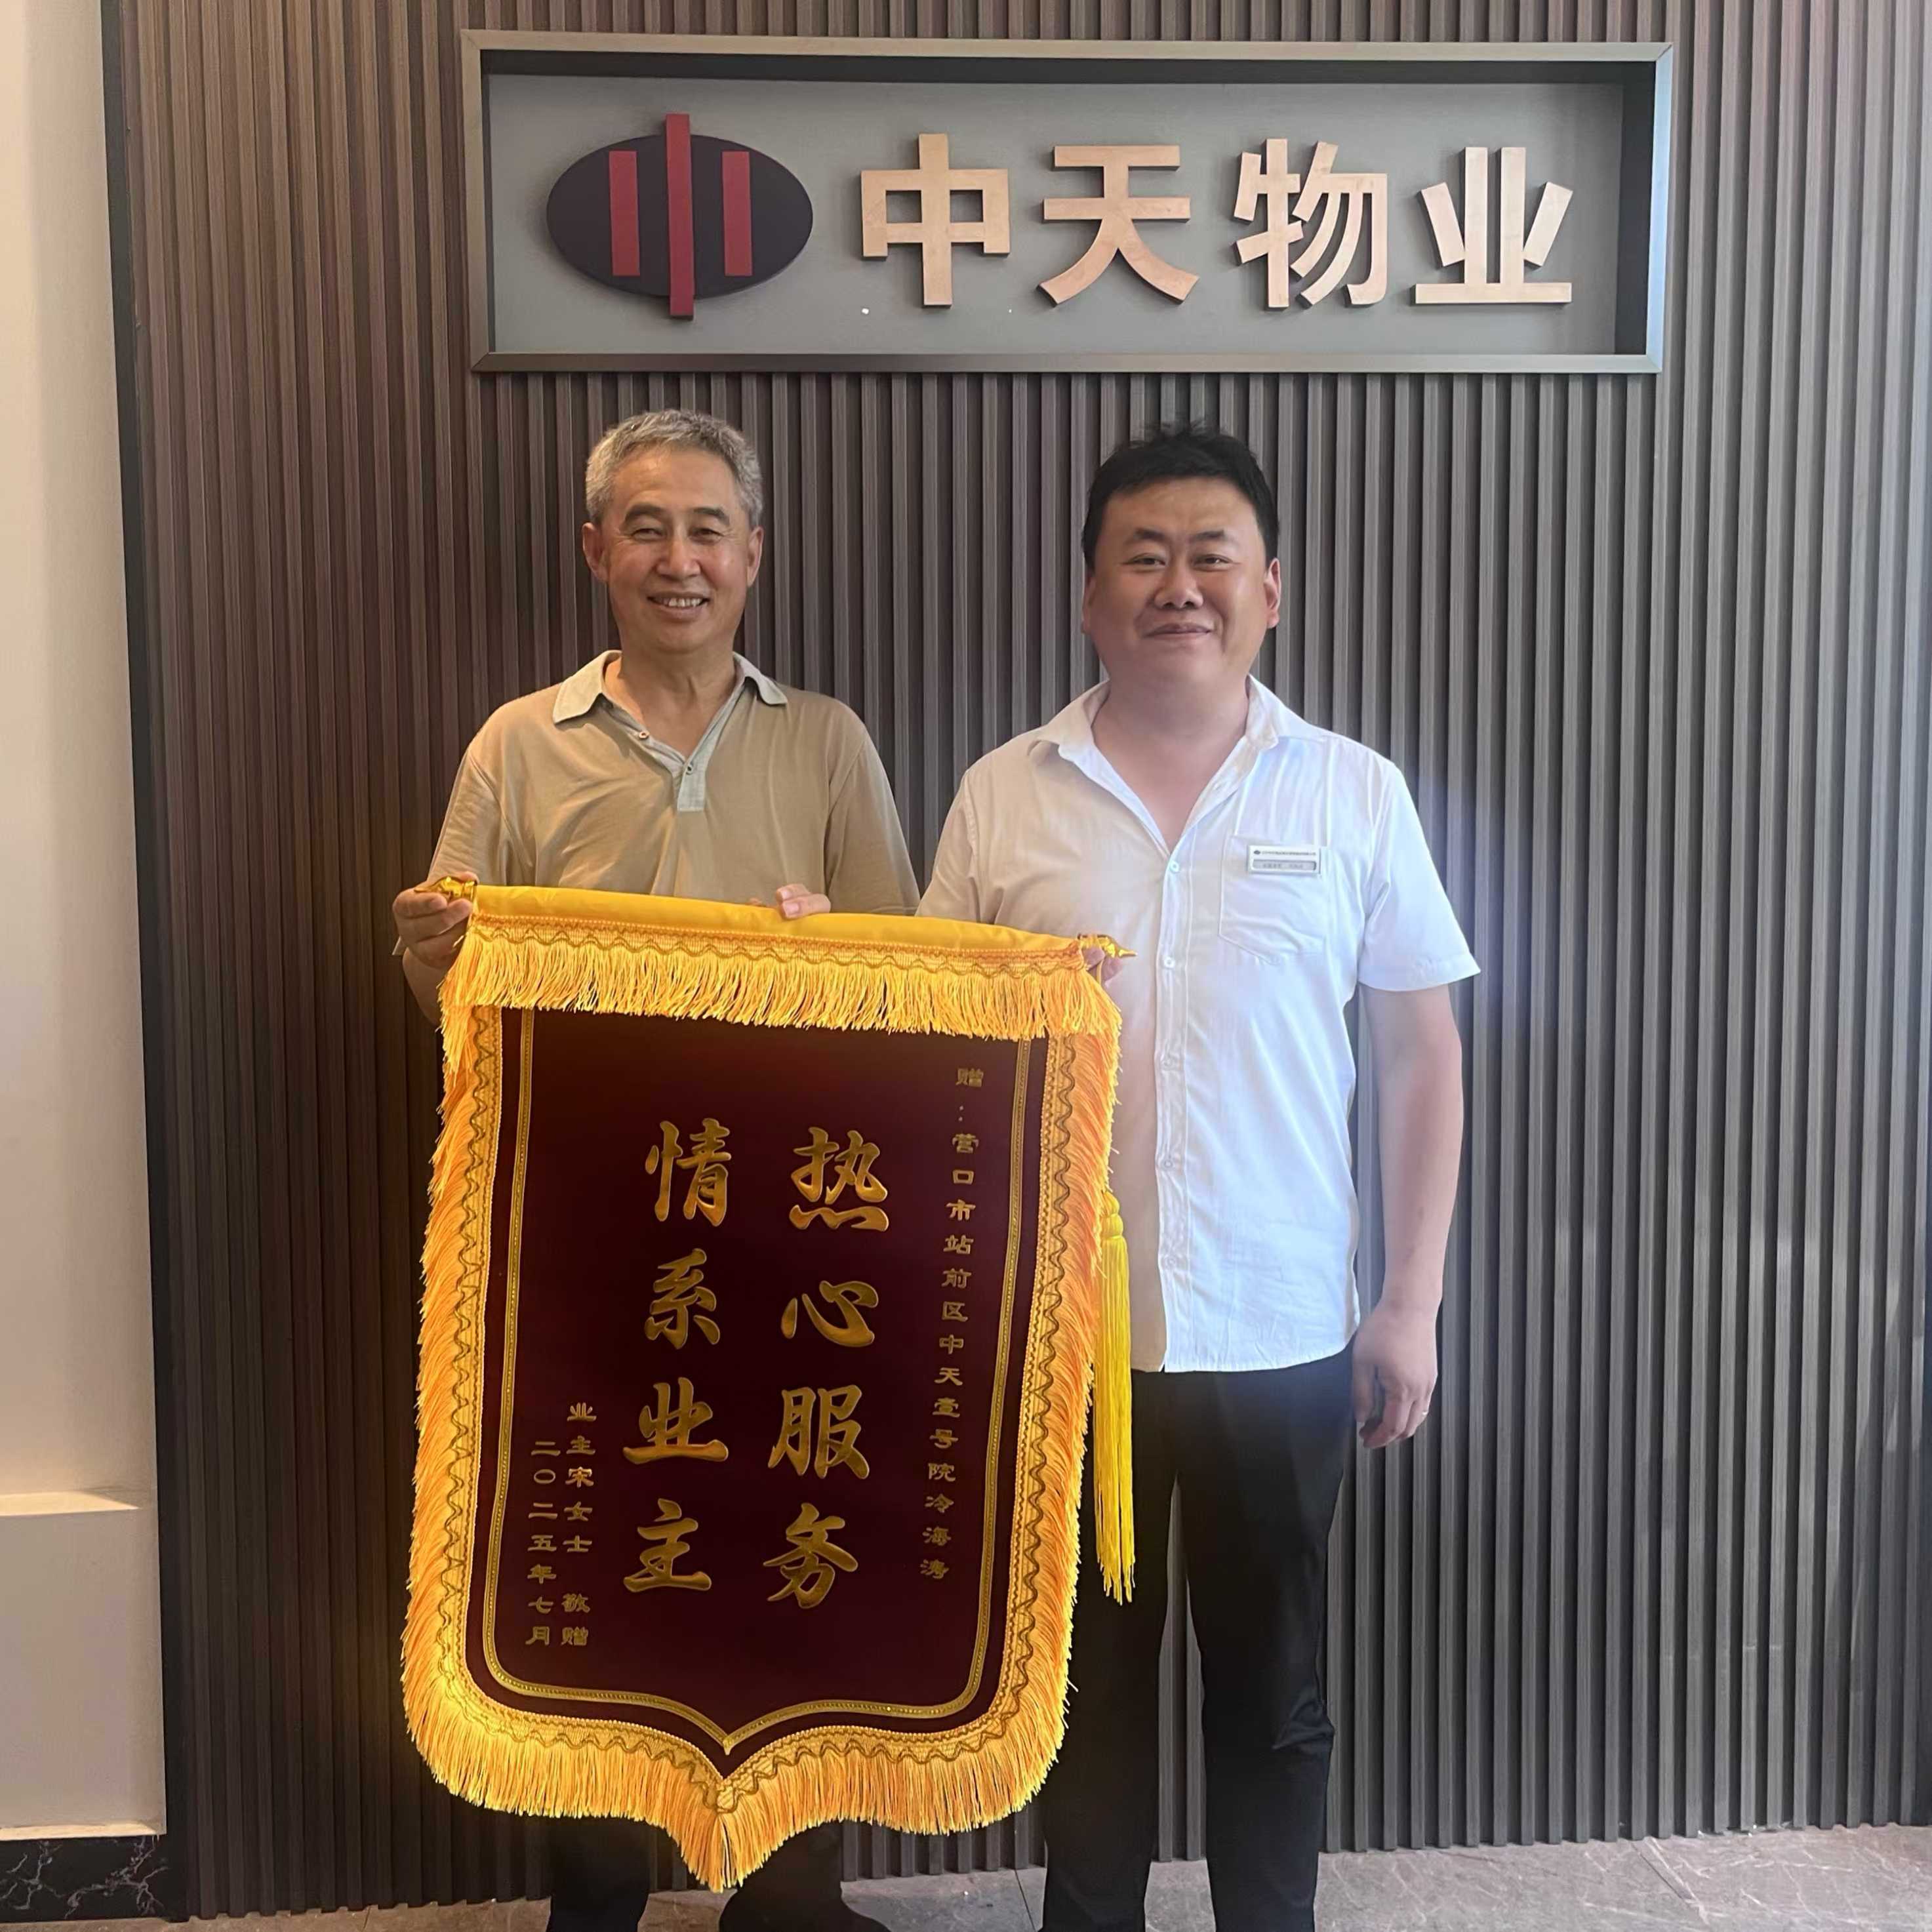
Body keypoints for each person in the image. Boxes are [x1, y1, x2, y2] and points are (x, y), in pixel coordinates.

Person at [920, 426, 1476, 1932]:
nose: (1180, 586)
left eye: (1211, 556)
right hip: (1067, 1339)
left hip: (1283, 1327)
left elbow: (1421, 1057)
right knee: (1083, 1697)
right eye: (1144, 558)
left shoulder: (1352, 793)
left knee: (1273, 1694)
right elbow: (933, 1046)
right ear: (1089, 597)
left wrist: (1409, 1304)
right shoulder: (1006, 795)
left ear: (1269, 590)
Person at [392, 408, 909, 1931]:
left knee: (794, 1539)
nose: (678, 559)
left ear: (754, 555)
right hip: (588, 1239)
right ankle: (597, 1892)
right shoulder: (516, 743)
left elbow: (909, 979)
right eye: (646, 526)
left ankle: (793, 1891)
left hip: (794, 1243)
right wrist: (428, 952)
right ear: (594, 550)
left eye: (707, 529)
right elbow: (461, 993)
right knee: (592, 1559)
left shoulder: (828, 740)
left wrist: (834, 953)